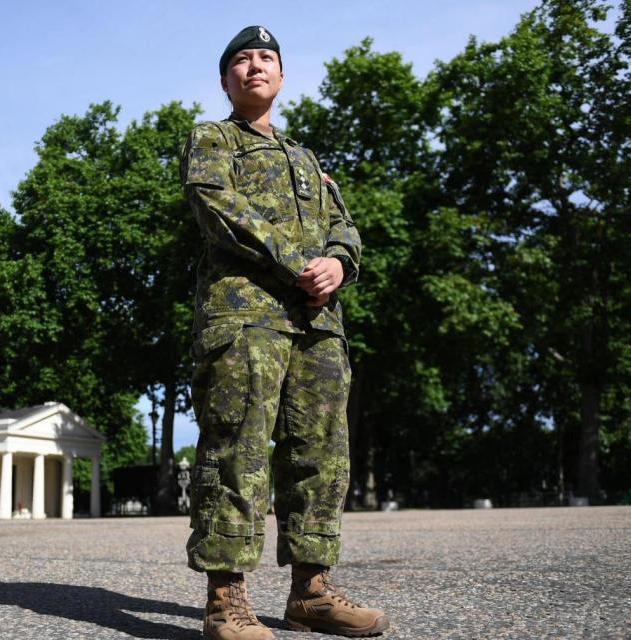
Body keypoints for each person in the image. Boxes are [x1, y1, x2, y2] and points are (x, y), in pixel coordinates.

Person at [181, 25, 390, 640]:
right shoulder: (213, 139)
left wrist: (339, 264)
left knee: (322, 454)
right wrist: (295, 260)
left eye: (266, 58)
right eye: (241, 61)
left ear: (281, 75)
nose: (254, 67)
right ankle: (226, 602)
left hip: (318, 325)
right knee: (237, 450)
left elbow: (343, 226)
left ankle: (312, 593)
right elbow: (215, 203)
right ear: (225, 80)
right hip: (245, 315)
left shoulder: (306, 156)